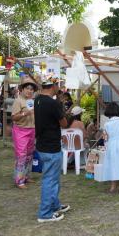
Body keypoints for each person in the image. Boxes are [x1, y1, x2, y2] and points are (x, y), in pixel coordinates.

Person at [34, 77, 69, 223]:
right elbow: (64, 123)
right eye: (58, 85)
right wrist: (61, 107)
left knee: (53, 178)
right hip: (51, 146)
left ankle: (54, 205)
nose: (59, 87)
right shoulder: (53, 103)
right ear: (53, 85)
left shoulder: (38, 99)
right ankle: (45, 213)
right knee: (50, 180)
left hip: (42, 144)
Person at [11, 77, 38, 189]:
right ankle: (19, 180)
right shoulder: (18, 101)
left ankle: (26, 176)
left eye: (31, 89)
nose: (29, 91)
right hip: (20, 130)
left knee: (29, 155)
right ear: (22, 89)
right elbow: (13, 117)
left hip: (32, 130)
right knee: (21, 155)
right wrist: (24, 114)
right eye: (27, 88)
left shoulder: (32, 101)